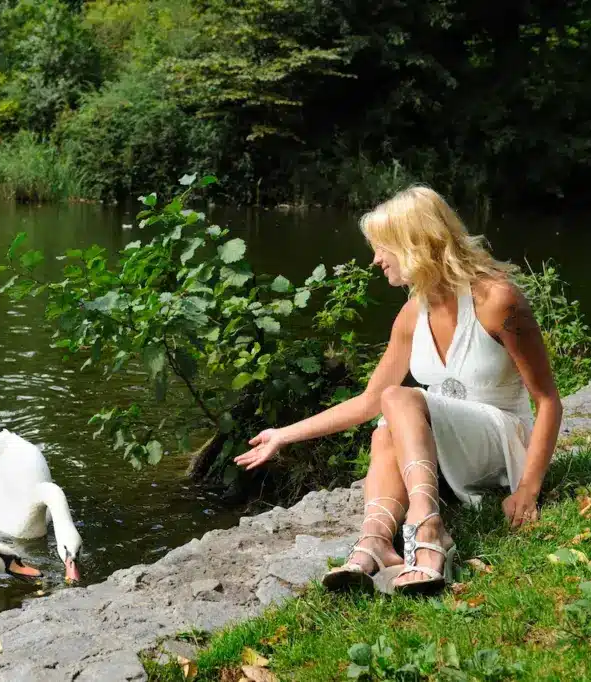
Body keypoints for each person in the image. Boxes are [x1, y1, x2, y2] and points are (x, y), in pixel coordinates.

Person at [234, 185, 562, 596]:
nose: (375, 260)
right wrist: (283, 434)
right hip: (444, 450)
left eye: (382, 247)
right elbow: (371, 399)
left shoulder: (498, 300)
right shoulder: (412, 314)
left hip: (501, 443)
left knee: (399, 399)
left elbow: (547, 399)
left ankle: (428, 526)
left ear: (416, 243)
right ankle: (375, 542)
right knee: (386, 427)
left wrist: (528, 491)